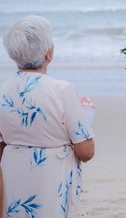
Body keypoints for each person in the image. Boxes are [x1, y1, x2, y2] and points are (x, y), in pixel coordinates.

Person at [0, 15, 95, 218]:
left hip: (13, 180)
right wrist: (85, 116)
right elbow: (86, 151)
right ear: (48, 54)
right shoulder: (62, 90)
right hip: (52, 181)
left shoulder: (2, 91)